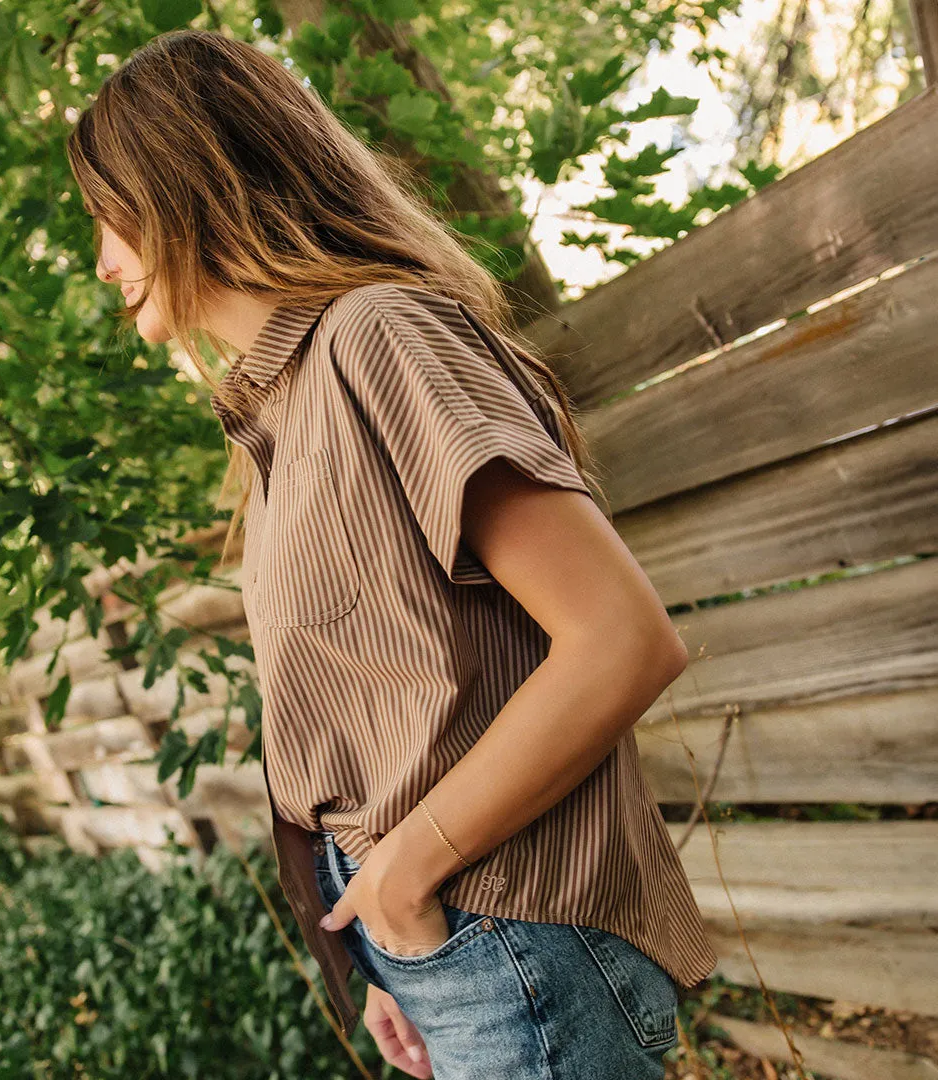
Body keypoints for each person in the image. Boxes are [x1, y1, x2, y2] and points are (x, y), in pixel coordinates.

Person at [67, 27, 717, 1080]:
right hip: (442, 944)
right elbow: (378, 717)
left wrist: (411, 878)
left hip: (509, 931)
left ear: (187, 181)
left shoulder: (379, 336)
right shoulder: (281, 411)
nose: (102, 262)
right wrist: (378, 951)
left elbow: (622, 641)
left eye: (108, 217)